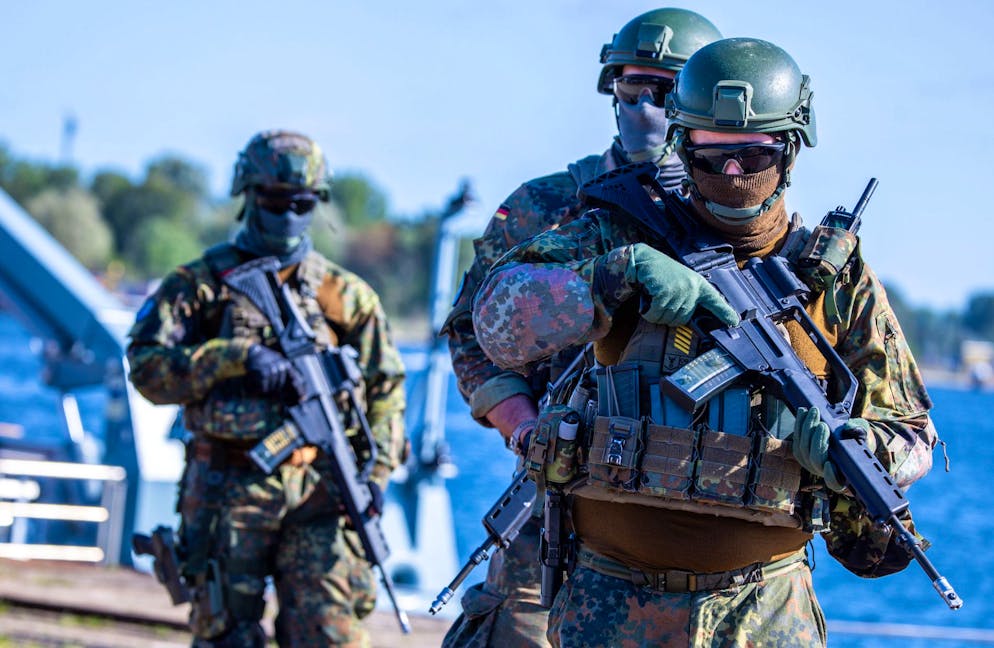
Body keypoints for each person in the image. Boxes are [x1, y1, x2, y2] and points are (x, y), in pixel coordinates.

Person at [472, 38, 938, 647]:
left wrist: (860, 448)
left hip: (765, 605)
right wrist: (614, 273)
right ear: (681, 144)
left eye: (753, 155)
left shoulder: (836, 278)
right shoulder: (619, 229)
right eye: (712, 157)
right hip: (609, 602)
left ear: (790, 152)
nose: (735, 174)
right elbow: (496, 323)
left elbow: (912, 432)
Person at [439, 8, 722, 647]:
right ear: (611, 91)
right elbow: (471, 334)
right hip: (560, 491)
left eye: (667, 91)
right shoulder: (548, 205)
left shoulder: (732, 214)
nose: (646, 106)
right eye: (632, 88)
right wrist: (523, 428)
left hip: (692, 511)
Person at [126, 130, 407, 647]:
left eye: (302, 204)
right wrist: (232, 358)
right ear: (249, 195)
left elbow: (385, 391)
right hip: (226, 487)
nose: (288, 215)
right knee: (226, 636)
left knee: (329, 634)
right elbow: (146, 370)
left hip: (322, 490)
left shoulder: (345, 296)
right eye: (275, 201)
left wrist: (379, 473)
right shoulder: (200, 285)